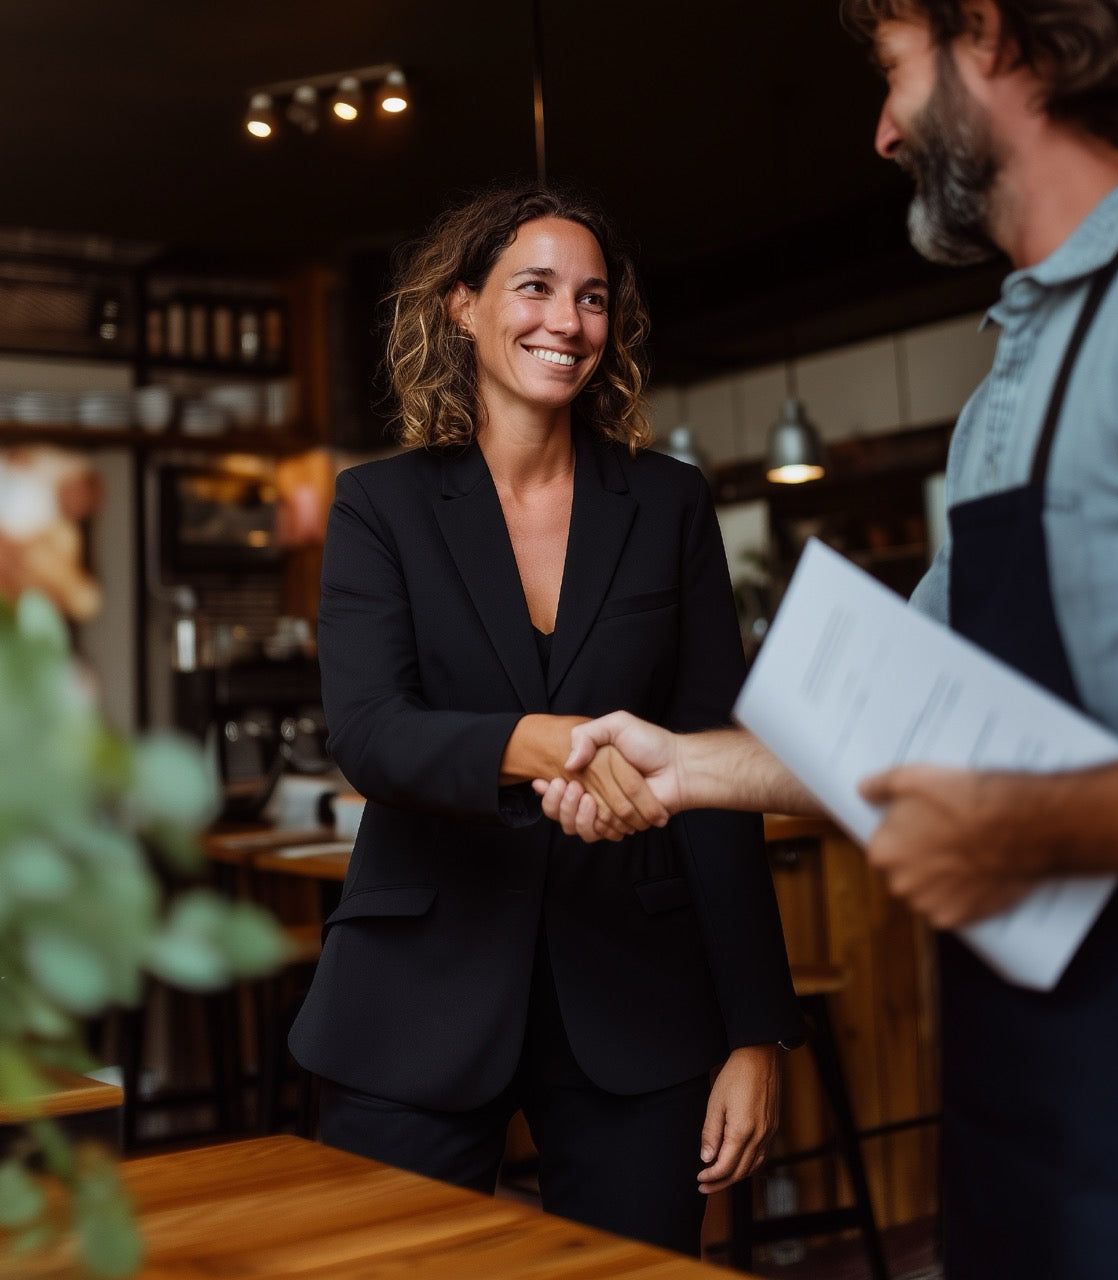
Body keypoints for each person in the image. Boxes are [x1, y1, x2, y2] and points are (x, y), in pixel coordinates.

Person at [535, 3, 1118, 1277]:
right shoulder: (1000, 392)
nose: (881, 132)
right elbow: (893, 715)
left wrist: (1022, 828)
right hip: (1019, 1090)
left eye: (891, 75)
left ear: (985, 35)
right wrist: (682, 768)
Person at [287, 183, 803, 1257]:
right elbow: (371, 732)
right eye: (533, 288)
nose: (565, 321)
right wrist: (543, 743)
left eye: (591, 298)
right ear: (462, 306)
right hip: (413, 995)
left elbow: (716, 770)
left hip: (637, 997)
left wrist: (755, 1028)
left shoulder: (668, 504)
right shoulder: (376, 505)